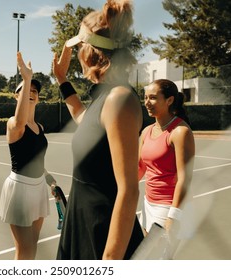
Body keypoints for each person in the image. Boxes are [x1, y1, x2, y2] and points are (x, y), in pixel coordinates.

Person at [52, 0, 144, 260]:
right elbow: (83, 118)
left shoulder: (119, 99)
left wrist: (110, 260)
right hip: (82, 222)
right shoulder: (104, 99)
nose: (78, 53)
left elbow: (128, 190)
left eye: (80, 46)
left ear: (89, 52)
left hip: (102, 234)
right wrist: (62, 80)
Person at [0, 52, 56, 260]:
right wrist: (26, 78)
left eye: (34, 91)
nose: (31, 92)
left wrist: (51, 182)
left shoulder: (39, 127)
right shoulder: (14, 123)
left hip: (39, 187)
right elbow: (21, 120)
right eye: (25, 90)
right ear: (17, 96)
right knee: (25, 250)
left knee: (32, 247)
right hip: (20, 189)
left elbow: (38, 161)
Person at [138, 79, 195, 235]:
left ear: (169, 100)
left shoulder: (180, 131)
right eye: (145, 97)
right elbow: (140, 168)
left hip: (168, 207)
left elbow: (185, 178)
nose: (147, 102)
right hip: (147, 204)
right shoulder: (146, 131)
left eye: (153, 97)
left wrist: (173, 216)